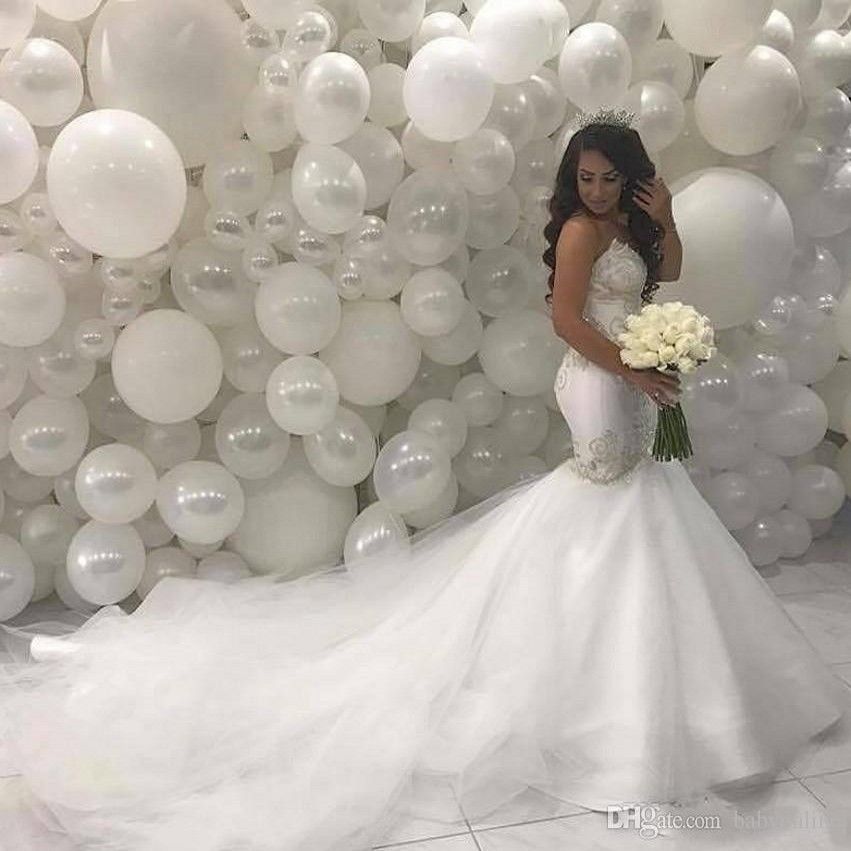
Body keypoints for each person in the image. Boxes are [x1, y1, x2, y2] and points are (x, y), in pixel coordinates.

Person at [0, 110, 849, 851]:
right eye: (584, 178)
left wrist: (663, 221)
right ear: (573, 180)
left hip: (629, 375)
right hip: (598, 380)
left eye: (608, 178)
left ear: (627, 177)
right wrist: (635, 369)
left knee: (636, 501)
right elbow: (563, 319)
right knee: (609, 491)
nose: (594, 190)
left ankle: (629, 677)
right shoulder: (583, 234)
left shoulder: (626, 225)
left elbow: (659, 278)